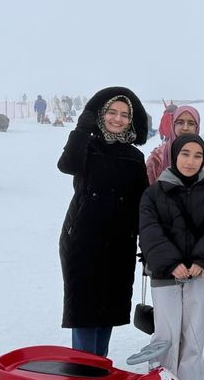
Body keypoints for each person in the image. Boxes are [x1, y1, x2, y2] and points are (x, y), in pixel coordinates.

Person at [57, 87, 149, 357]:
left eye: (124, 114)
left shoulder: (135, 157)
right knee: (85, 311)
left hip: (120, 243)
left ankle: (98, 374)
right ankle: (84, 378)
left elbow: (141, 203)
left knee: (108, 310)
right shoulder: (87, 146)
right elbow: (67, 165)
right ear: (101, 115)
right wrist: (80, 131)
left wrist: (148, 243)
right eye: (112, 112)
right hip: (83, 238)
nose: (117, 119)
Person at [139, 133, 204, 380]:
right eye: (185, 154)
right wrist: (170, 262)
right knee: (165, 337)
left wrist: (203, 260)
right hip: (166, 275)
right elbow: (149, 230)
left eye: (198, 155)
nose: (191, 161)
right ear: (174, 155)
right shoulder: (153, 193)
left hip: (201, 275)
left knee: (194, 337)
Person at [146, 105, 204, 184]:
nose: (185, 128)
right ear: (173, 125)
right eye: (180, 122)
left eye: (191, 123)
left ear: (197, 127)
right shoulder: (157, 158)